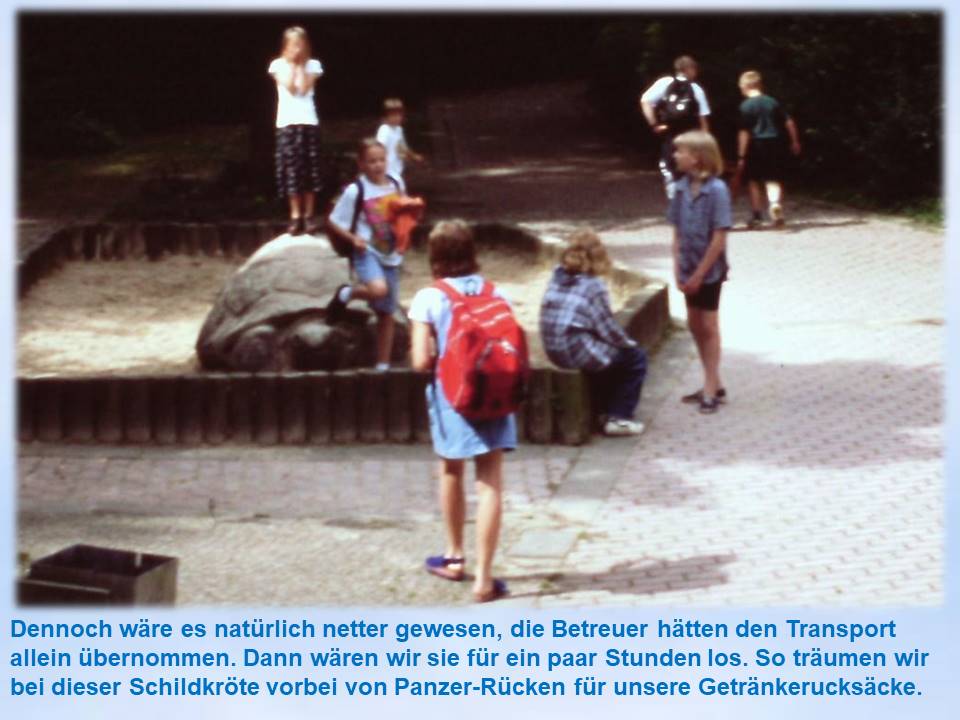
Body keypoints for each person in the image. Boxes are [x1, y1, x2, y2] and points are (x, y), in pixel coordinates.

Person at [409, 220, 516, 603]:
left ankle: (454, 557)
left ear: (434, 257)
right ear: (473, 253)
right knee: (490, 483)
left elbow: (421, 359)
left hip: (453, 398)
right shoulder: (496, 291)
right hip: (496, 395)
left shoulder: (429, 297)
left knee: (451, 470)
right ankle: (485, 580)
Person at [539, 230, 647, 436]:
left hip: (553, 348)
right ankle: (620, 417)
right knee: (635, 359)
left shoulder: (557, 276)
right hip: (574, 348)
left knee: (605, 359)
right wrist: (628, 344)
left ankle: (602, 410)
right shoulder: (593, 285)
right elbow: (607, 328)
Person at [326, 138, 407, 371]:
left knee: (386, 311)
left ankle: (383, 363)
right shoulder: (356, 190)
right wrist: (353, 239)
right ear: (361, 164)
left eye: (381, 160)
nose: (378, 165)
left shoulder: (395, 182)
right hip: (367, 251)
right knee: (378, 290)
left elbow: (403, 210)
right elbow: (334, 221)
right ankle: (348, 292)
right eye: (371, 161)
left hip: (391, 252)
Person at [668, 131, 732, 414]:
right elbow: (677, 233)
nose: (675, 156)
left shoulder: (717, 190)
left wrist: (699, 274)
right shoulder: (680, 189)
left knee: (708, 325)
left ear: (697, 157)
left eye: (679, 152)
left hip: (708, 271)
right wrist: (677, 268)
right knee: (694, 324)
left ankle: (710, 388)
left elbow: (719, 237)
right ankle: (714, 380)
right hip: (687, 267)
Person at [268, 26, 325, 235]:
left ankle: (309, 215)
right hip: (287, 124)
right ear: (285, 47)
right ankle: (295, 216)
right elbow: (290, 87)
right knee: (292, 171)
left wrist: (301, 66)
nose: (297, 49)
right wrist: (292, 65)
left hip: (308, 123)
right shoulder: (277, 65)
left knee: (310, 170)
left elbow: (303, 89)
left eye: (300, 44)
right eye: (293, 45)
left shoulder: (314, 65)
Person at [640, 55, 712, 200]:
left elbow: (645, 101)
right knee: (693, 169)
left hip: (670, 134)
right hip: (691, 136)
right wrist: (706, 142)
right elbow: (703, 119)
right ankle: (693, 201)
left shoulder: (664, 83)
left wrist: (654, 125)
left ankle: (676, 200)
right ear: (690, 69)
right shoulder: (696, 89)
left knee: (671, 167)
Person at [737, 70, 802, 228]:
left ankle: (757, 216)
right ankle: (774, 204)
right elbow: (789, 123)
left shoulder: (745, 106)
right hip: (775, 143)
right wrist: (795, 141)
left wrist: (741, 155)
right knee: (772, 178)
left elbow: (744, 132)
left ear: (745, 86)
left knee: (753, 181)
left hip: (755, 145)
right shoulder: (772, 102)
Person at [375, 98, 425, 182]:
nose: (397, 118)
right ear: (385, 116)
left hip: (397, 168)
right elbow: (379, 148)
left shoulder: (399, 129)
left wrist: (413, 156)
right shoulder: (384, 130)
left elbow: (403, 146)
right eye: (393, 115)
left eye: (399, 115)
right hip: (386, 170)